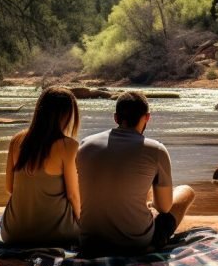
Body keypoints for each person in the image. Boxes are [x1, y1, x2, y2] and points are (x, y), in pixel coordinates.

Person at [77, 91, 195, 256]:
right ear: (147, 118)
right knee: (186, 191)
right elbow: (164, 207)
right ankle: (151, 246)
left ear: (116, 118)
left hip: (90, 242)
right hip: (134, 243)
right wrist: (151, 206)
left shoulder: (85, 144)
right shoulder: (156, 149)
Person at [0, 86, 82, 246]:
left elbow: (10, 188)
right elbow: (73, 195)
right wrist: (83, 223)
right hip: (57, 235)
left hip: (13, 234)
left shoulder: (16, 140)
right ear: (66, 115)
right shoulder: (68, 145)